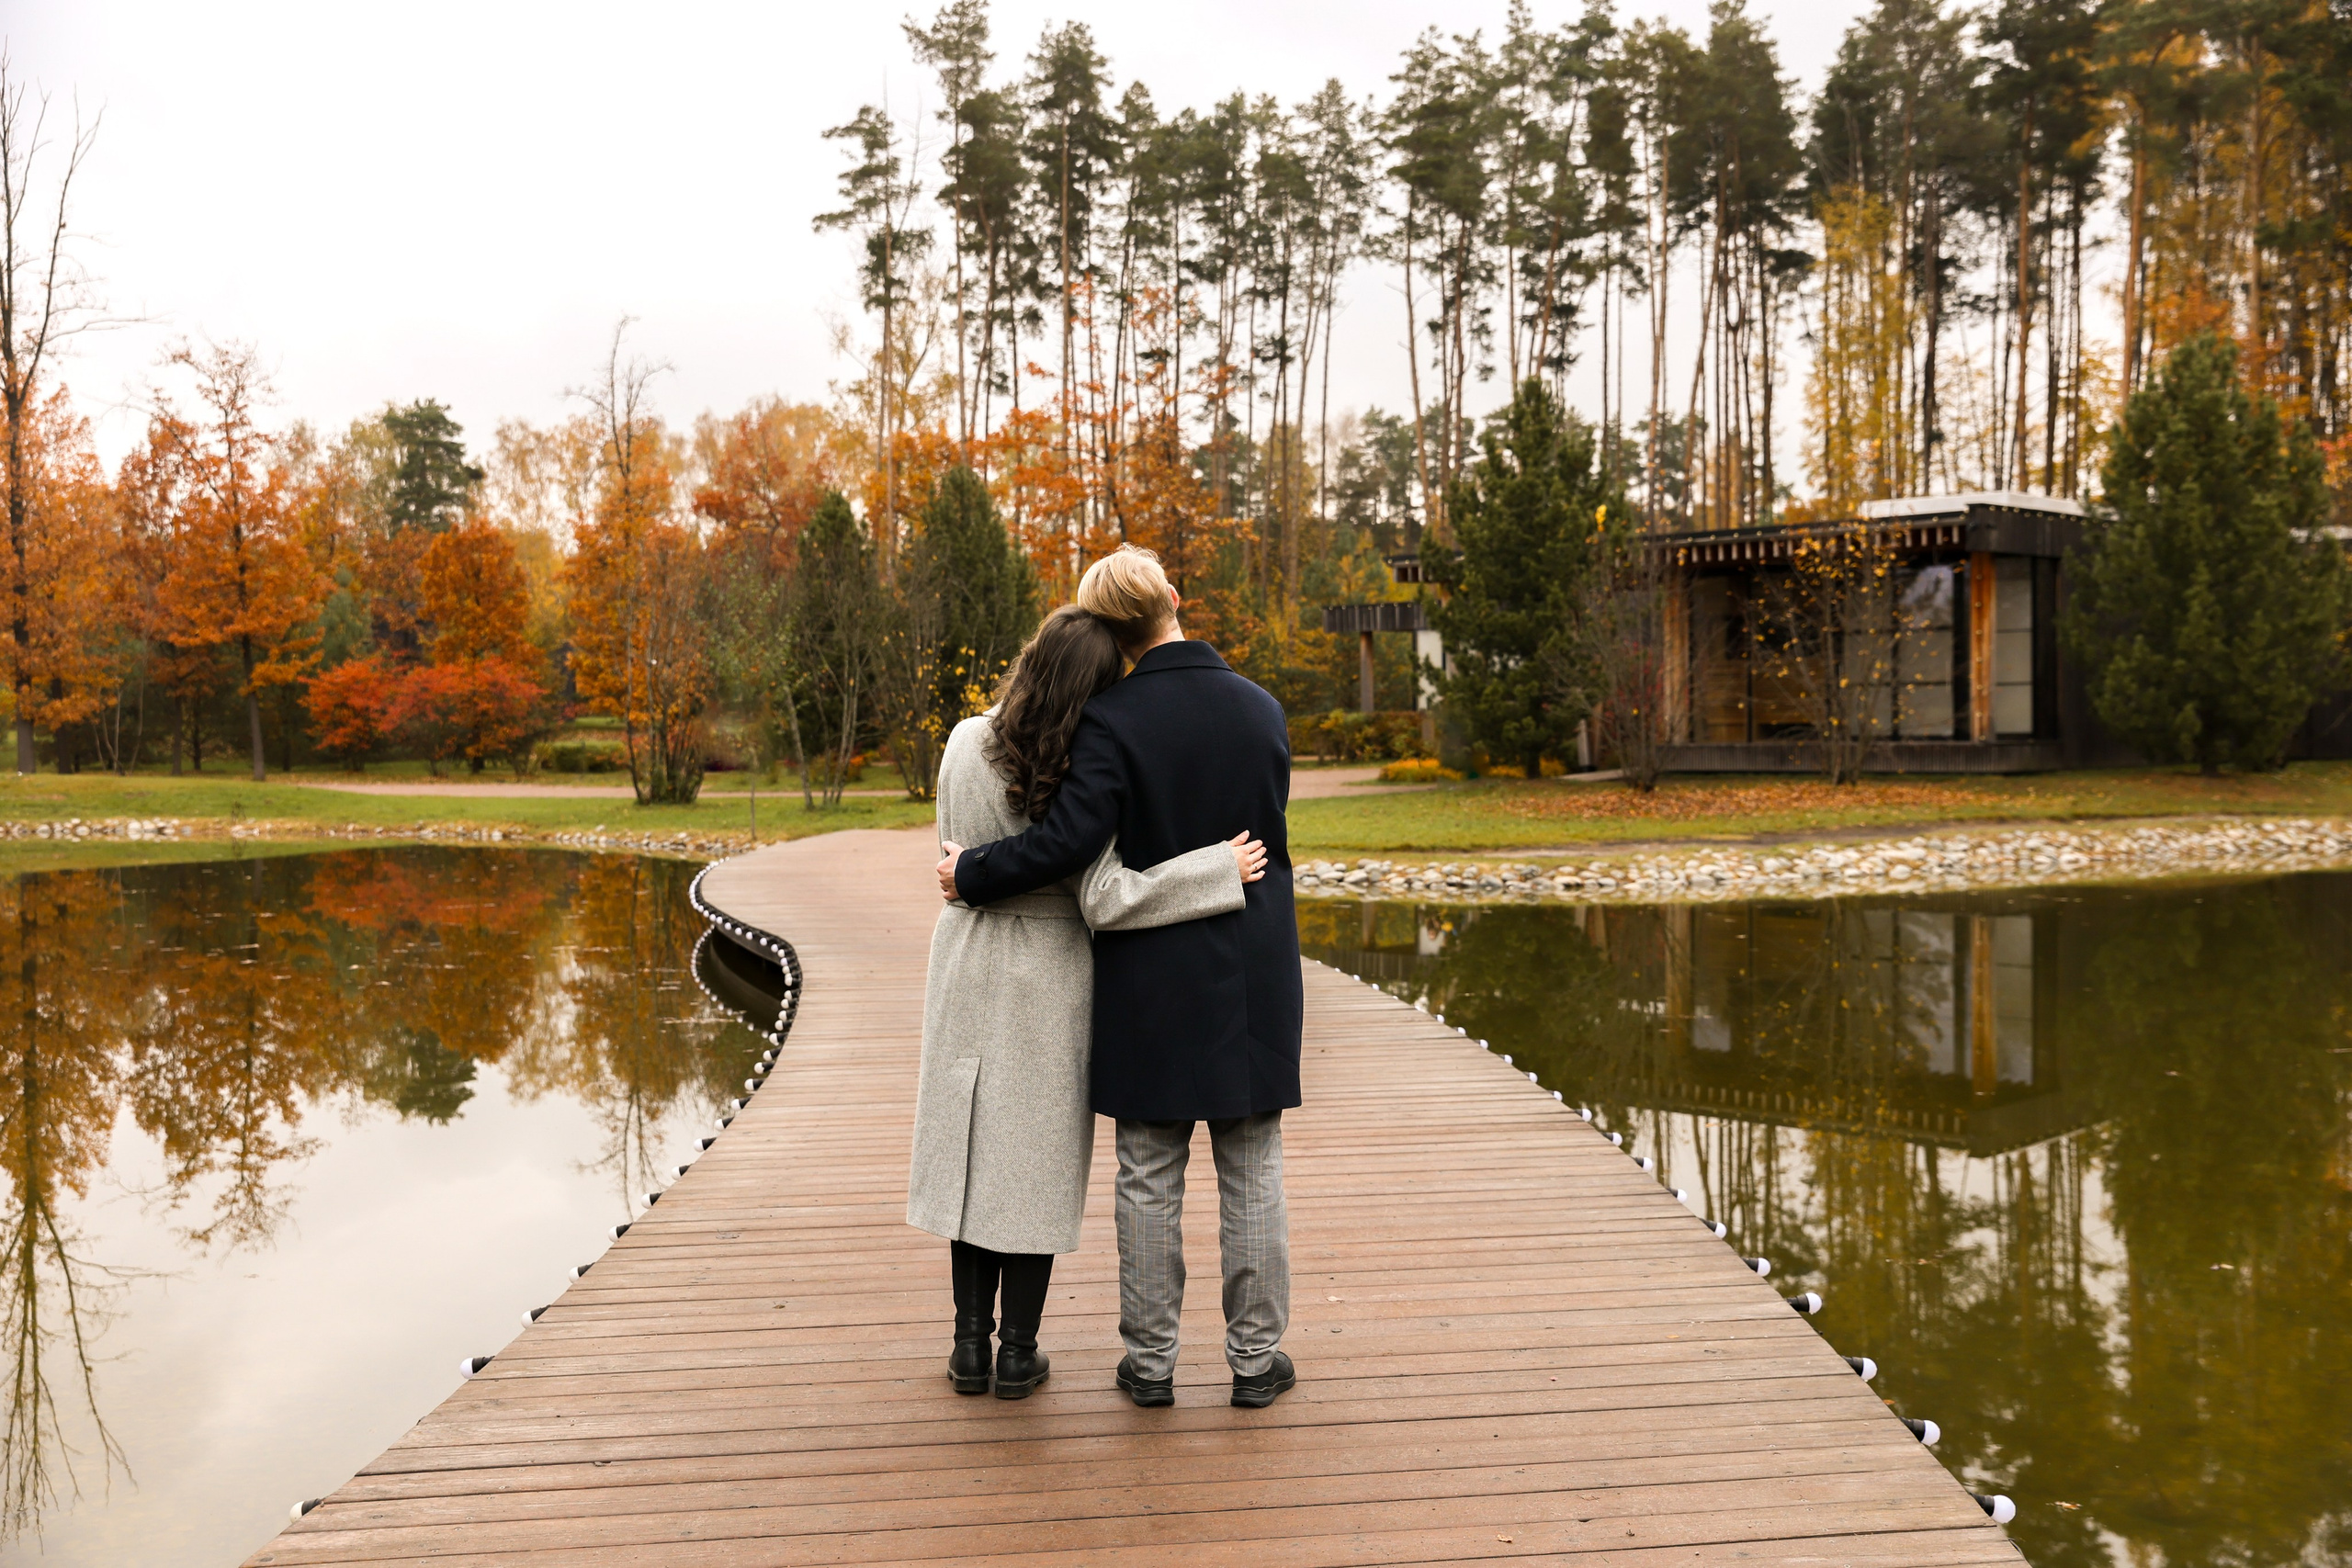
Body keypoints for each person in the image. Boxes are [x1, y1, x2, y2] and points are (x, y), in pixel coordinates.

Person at [938, 546, 1303, 1409]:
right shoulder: (1263, 709)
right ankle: (1256, 1362)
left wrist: (971, 871)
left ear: (1109, 628)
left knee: (1148, 1171)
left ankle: (1150, 1364)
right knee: (1253, 1166)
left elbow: (1067, 844)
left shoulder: (1109, 721)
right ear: (1173, 597)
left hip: (1151, 978)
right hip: (1252, 972)